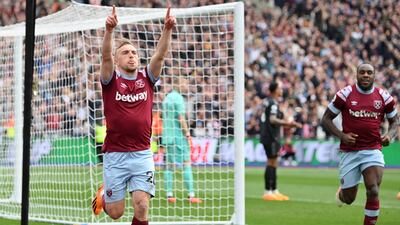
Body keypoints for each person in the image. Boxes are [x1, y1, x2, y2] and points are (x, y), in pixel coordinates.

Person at [91, 5, 176, 225]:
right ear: (118, 60)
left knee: (142, 206)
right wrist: (109, 31)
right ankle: (104, 195)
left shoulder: (147, 78)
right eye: (125, 53)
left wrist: (167, 29)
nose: (131, 56)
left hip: (142, 154)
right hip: (115, 155)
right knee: (116, 212)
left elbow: (160, 54)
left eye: (134, 52)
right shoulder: (111, 81)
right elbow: (105, 59)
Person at [321, 63, 398, 225]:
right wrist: (342, 136)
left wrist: (390, 136)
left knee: (373, 190)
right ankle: (342, 193)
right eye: (362, 72)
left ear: (374, 75)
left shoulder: (384, 97)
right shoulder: (345, 94)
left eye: (369, 72)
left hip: (372, 150)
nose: (365, 75)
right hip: (350, 152)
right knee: (349, 199)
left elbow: (394, 122)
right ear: (356, 75)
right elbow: (326, 119)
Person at [161, 77, 202, 204]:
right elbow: (181, 118)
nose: (186, 86)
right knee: (186, 163)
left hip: (167, 136)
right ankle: (191, 194)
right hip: (178, 136)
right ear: (177, 84)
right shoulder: (178, 98)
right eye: (184, 83)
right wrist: (188, 134)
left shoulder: (167, 98)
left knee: (169, 166)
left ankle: (169, 194)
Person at [260, 81, 302, 201]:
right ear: (275, 90)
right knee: (271, 162)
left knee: (274, 162)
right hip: (271, 136)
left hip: (269, 135)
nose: (282, 90)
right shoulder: (272, 103)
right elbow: (272, 120)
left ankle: (274, 190)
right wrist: (288, 123)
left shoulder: (268, 102)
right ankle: (268, 191)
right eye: (280, 88)